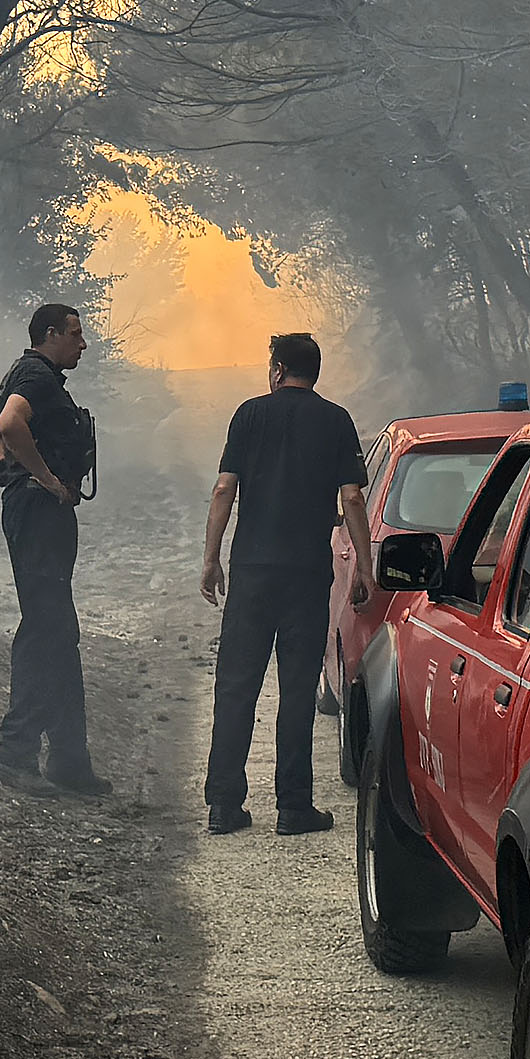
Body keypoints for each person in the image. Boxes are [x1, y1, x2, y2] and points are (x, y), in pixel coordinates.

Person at [197, 330, 370, 837]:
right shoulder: (336, 420)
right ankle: (294, 807)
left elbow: (224, 489)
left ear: (277, 369)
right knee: (297, 690)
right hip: (306, 576)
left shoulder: (248, 414)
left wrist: (211, 559)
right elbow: (353, 498)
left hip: (252, 572)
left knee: (236, 686)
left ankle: (224, 805)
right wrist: (364, 566)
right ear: (314, 371)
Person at [0, 301, 109, 796]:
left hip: (37, 511)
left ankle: (69, 760)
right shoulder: (36, 375)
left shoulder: (29, 374)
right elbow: (11, 424)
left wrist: (12, 468)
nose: (83, 343)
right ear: (50, 334)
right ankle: (15, 755)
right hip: (41, 514)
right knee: (45, 630)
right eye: (75, 334)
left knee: (59, 632)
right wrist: (45, 479)